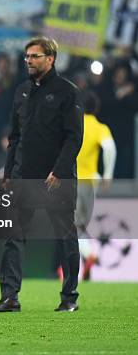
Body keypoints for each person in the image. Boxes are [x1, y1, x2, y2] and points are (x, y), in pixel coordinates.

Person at [0, 36, 83, 313]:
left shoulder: (68, 92)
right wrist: (8, 171)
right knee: (13, 235)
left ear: (51, 59)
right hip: (22, 176)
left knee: (64, 237)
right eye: (27, 56)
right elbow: (15, 137)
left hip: (56, 179)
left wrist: (59, 171)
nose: (28, 60)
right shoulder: (22, 91)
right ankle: (10, 297)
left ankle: (69, 297)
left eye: (35, 56)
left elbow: (74, 138)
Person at [75, 91, 116, 280]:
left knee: (73, 227)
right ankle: (86, 259)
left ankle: (88, 254)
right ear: (96, 108)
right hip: (92, 182)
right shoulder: (100, 127)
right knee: (80, 225)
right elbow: (109, 148)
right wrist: (107, 174)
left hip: (73, 181)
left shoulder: (73, 125)